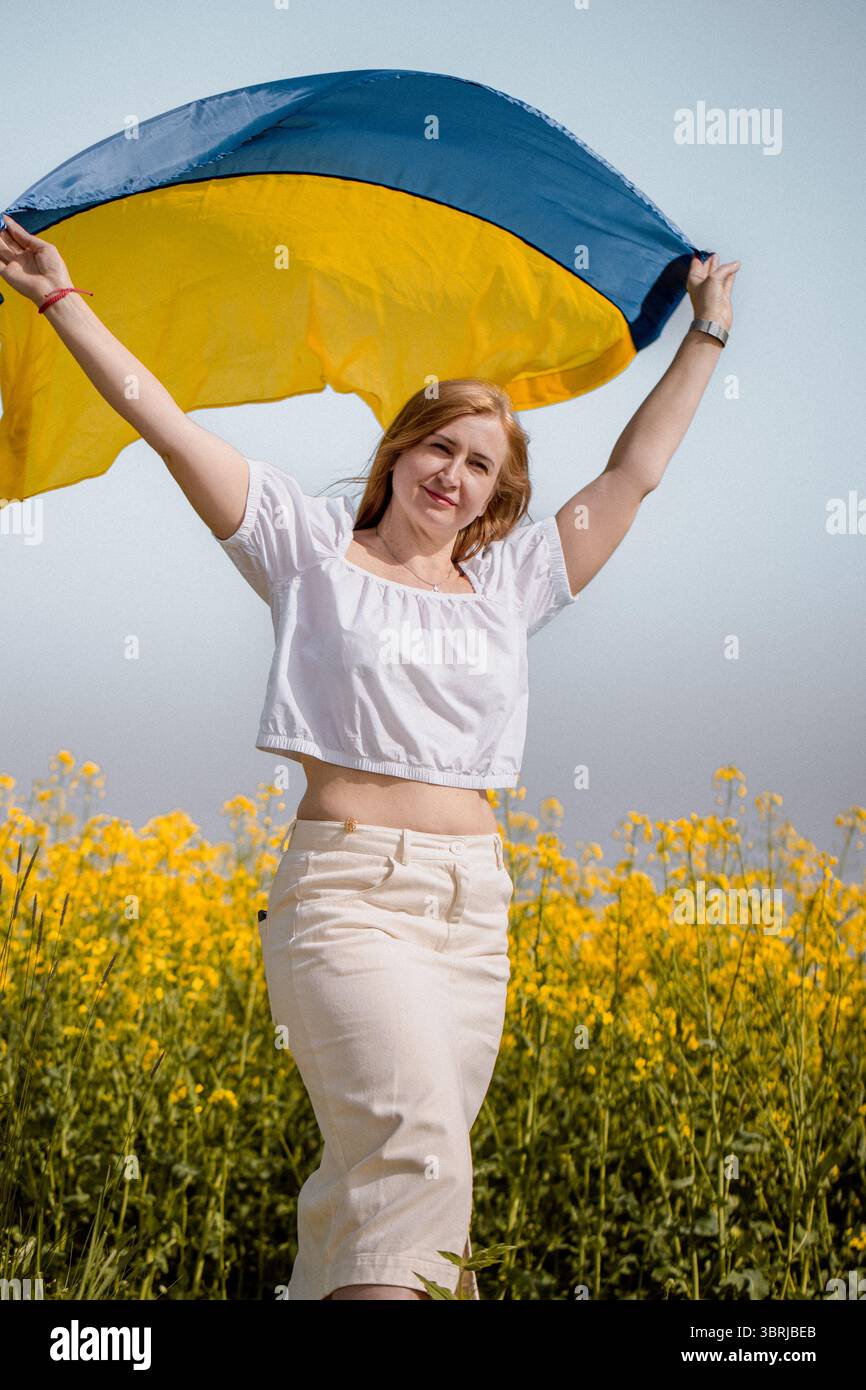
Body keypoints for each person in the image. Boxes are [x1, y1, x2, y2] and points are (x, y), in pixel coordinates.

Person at [0, 212, 740, 1299]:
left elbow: (631, 474)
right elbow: (161, 421)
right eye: (439, 443)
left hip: (470, 915)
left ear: (497, 494)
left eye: (480, 462)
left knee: (374, 1191)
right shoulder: (307, 552)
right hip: (347, 899)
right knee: (418, 1162)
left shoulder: (507, 588)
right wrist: (65, 302)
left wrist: (705, 336)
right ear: (398, 451)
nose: (454, 470)